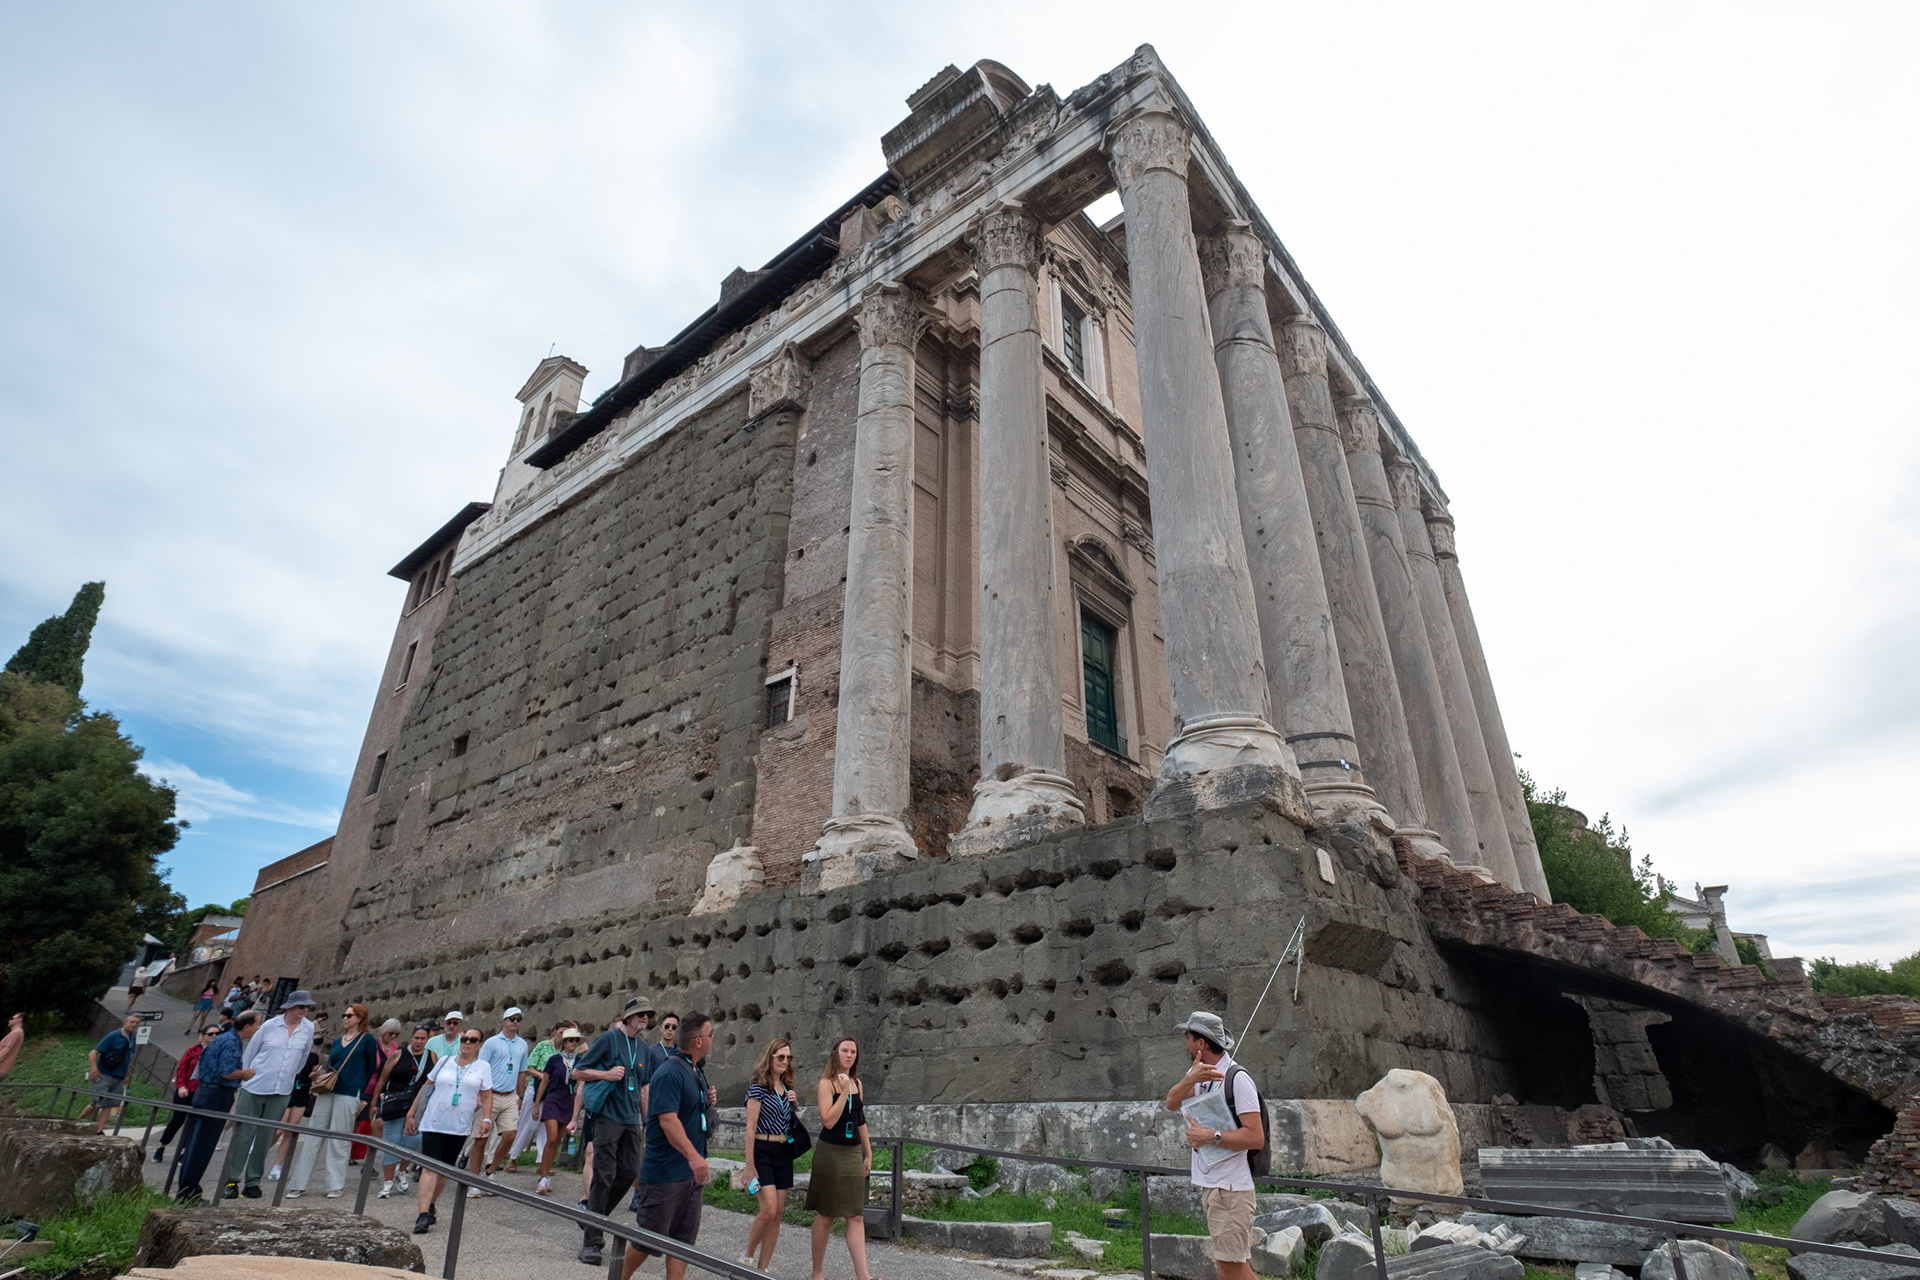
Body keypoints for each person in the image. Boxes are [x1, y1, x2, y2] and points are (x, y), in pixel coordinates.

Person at [1164, 1012, 1266, 1280]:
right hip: (1214, 1186)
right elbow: (1171, 1103)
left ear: (1201, 1044)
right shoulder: (1197, 1075)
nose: (1185, 1043)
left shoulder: (1238, 1079)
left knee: (1227, 1271)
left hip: (1231, 1190)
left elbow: (1256, 1137)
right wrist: (1189, 1079)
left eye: (1188, 1037)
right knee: (1238, 1269)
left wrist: (1211, 1136)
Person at [620, 1012, 714, 1280]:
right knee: (648, 1240)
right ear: (697, 1041)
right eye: (710, 1034)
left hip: (689, 1176)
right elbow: (667, 1120)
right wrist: (695, 1156)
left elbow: (687, 1112)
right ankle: (620, 1276)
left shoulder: (695, 1070)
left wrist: (708, 1101)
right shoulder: (669, 1072)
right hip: (665, 1175)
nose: (711, 1039)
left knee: (683, 1243)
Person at [573, 997, 654, 1268]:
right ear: (629, 1017)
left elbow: (643, 1089)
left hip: (632, 1120)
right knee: (604, 1173)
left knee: (630, 1172)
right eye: (640, 1014)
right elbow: (577, 1072)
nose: (644, 1018)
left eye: (647, 1015)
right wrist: (606, 1075)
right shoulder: (608, 1040)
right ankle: (592, 1243)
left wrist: (646, 1123)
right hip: (607, 1116)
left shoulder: (643, 1048)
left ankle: (593, 1218)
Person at [286, 1003, 382, 1199]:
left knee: (339, 1138)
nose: (345, 1018)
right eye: (344, 1014)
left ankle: (335, 1185)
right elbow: (332, 1067)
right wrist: (318, 1075)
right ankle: (298, 1183)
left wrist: (358, 1089)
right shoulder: (338, 1041)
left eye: (349, 1015)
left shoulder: (367, 1040)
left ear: (360, 1019)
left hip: (348, 1092)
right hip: (328, 1090)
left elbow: (372, 1066)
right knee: (313, 1135)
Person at [405, 1022, 493, 1235]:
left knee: (445, 1169)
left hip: (459, 1125)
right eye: (464, 1039)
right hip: (435, 1120)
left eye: (473, 1040)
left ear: (479, 1045)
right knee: (429, 1167)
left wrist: (487, 1119)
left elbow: (488, 1094)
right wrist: (411, 1114)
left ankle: (431, 1203)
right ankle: (423, 1214)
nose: (467, 1043)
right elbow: (426, 1087)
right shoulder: (445, 1062)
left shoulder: (483, 1067)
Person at [228, 989, 315, 1199]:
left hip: (281, 1090)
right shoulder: (269, 1026)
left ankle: (253, 1181)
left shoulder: (308, 1028)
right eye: (301, 1006)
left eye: (307, 1007)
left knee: (266, 1137)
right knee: (244, 1135)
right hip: (256, 1086)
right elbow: (250, 1053)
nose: (304, 1010)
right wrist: (245, 1080)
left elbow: (302, 1059)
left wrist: (288, 1077)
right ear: (290, 1007)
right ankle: (231, 1180)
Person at [806, 1037, 875, 1280]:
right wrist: (844, 1091)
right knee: (826, 1214)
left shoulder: (858, 1082)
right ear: (835, 1053)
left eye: (853, 1051)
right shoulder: (827, 1084)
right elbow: (828, 1120)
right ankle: (817, 1273)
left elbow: (860, 1119)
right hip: (830, 1153)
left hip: (851, 1153)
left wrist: (868, 1151)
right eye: (844, 1050)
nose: (849, 1055)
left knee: (855, 1214)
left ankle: (863, 1276)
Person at [176, 1010, 261, 1203]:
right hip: (216, 1096)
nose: (258, 1028)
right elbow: (227, 1072)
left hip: (204, 1092)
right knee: (203, 1147)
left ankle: (186, 1189)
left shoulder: (221, 1039)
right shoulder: (232, 1042)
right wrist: (244, 1074)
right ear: (246, 1027)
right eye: (257, 1024)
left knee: (195, 1145)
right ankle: (189, 1193)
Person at [740, 1038, 800, 1270]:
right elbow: (750, 1128)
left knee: (778, 1213)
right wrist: (749, 1164)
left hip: (783, 1151)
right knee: (769, 1209)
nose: (784, 1061)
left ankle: (763, 1270)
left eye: (788, 1058)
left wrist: (794, 1104)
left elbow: (786, 1122)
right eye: (780, 1057)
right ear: (770, 1058)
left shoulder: (787, 1088)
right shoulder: (758, 1088)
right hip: (762, 1150)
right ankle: (747, 1255)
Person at [469, 1005, 529, 1193]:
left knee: (510, 1134)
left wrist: (520, 1096)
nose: (515, 1022)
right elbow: (480, 1067)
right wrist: (479, 1095)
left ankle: (491, 1171)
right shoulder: (492, 1043)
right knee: (481, 1139)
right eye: (512, 1019)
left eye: (518, 1019)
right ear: (504, 1021)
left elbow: (521, 1071)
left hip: (509, 1095)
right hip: (490, 1094)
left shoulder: (522, 1044)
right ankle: (474, 1179)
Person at [373, 1023, 436, 1198]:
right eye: (416, 1038)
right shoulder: (398, 1055)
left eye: (423, 1039)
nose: (419, 1041)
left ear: (427, 1040)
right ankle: (387, 1183)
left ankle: (401, 1171)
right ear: (411, 1039)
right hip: (395, 1103)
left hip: (418, 1106)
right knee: (392, 1142)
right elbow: (382, 1080)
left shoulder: (431, 1056)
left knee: (413, 1140)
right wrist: (374, 1103)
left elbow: (434, 1082)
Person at [268, 1009, 326, 1182]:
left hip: (303, 1093)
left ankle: (277, 1166)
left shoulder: (314, 1056)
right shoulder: (290, 1049)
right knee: (278, 1129)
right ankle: (260, 1151)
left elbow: (316, 1076)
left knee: (290, 1132)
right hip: (288, 1090)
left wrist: (316, 1077)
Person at [154, 1025, 220, 1164]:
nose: (214, 1036)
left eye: (217, 1034)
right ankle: (161, 1146)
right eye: (210, 1034)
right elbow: (181, 1070)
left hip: (202, 1093)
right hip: (186, 1090)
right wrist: (181, 1086)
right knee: (177, 1120)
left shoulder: (217, 1053)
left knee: (193, 1123)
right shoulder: (192, 1051)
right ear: (202, 1036)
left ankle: (183, 1151)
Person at [533, 1026, 586, 1194]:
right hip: (553, 1098)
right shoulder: (554, 1060)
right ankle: (542, 1178)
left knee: (557, 1141)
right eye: (571, 1040)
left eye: (576, 1040)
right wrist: (536, 1105)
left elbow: (582, 1083)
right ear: (563, 1043)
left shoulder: (579, 1062)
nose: (574, 1043)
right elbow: (544, 1082)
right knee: (552, 1137)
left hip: (568, 1100)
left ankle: (546, 1175)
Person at [84, 1013, 142, 1133]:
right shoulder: (113, 1036)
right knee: (97, 1103)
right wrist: (94, 1070)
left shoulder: (133, 1038)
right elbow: (93, 1053)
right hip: (104, 1074)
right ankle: (76, 1122)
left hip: (119, 1077)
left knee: (109, 1104)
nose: (135, 1024)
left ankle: (99, 1131)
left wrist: (127, 1075)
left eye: (137, 1022)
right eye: (132, 1022)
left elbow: (129, 1058)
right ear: (124, 1022)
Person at [0, 1011, 24, 1081]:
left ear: (20, 1019)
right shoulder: (18, 1032)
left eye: (13, 1018)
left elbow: (5, 1051)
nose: (9, 1020)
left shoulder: (15, 1033)